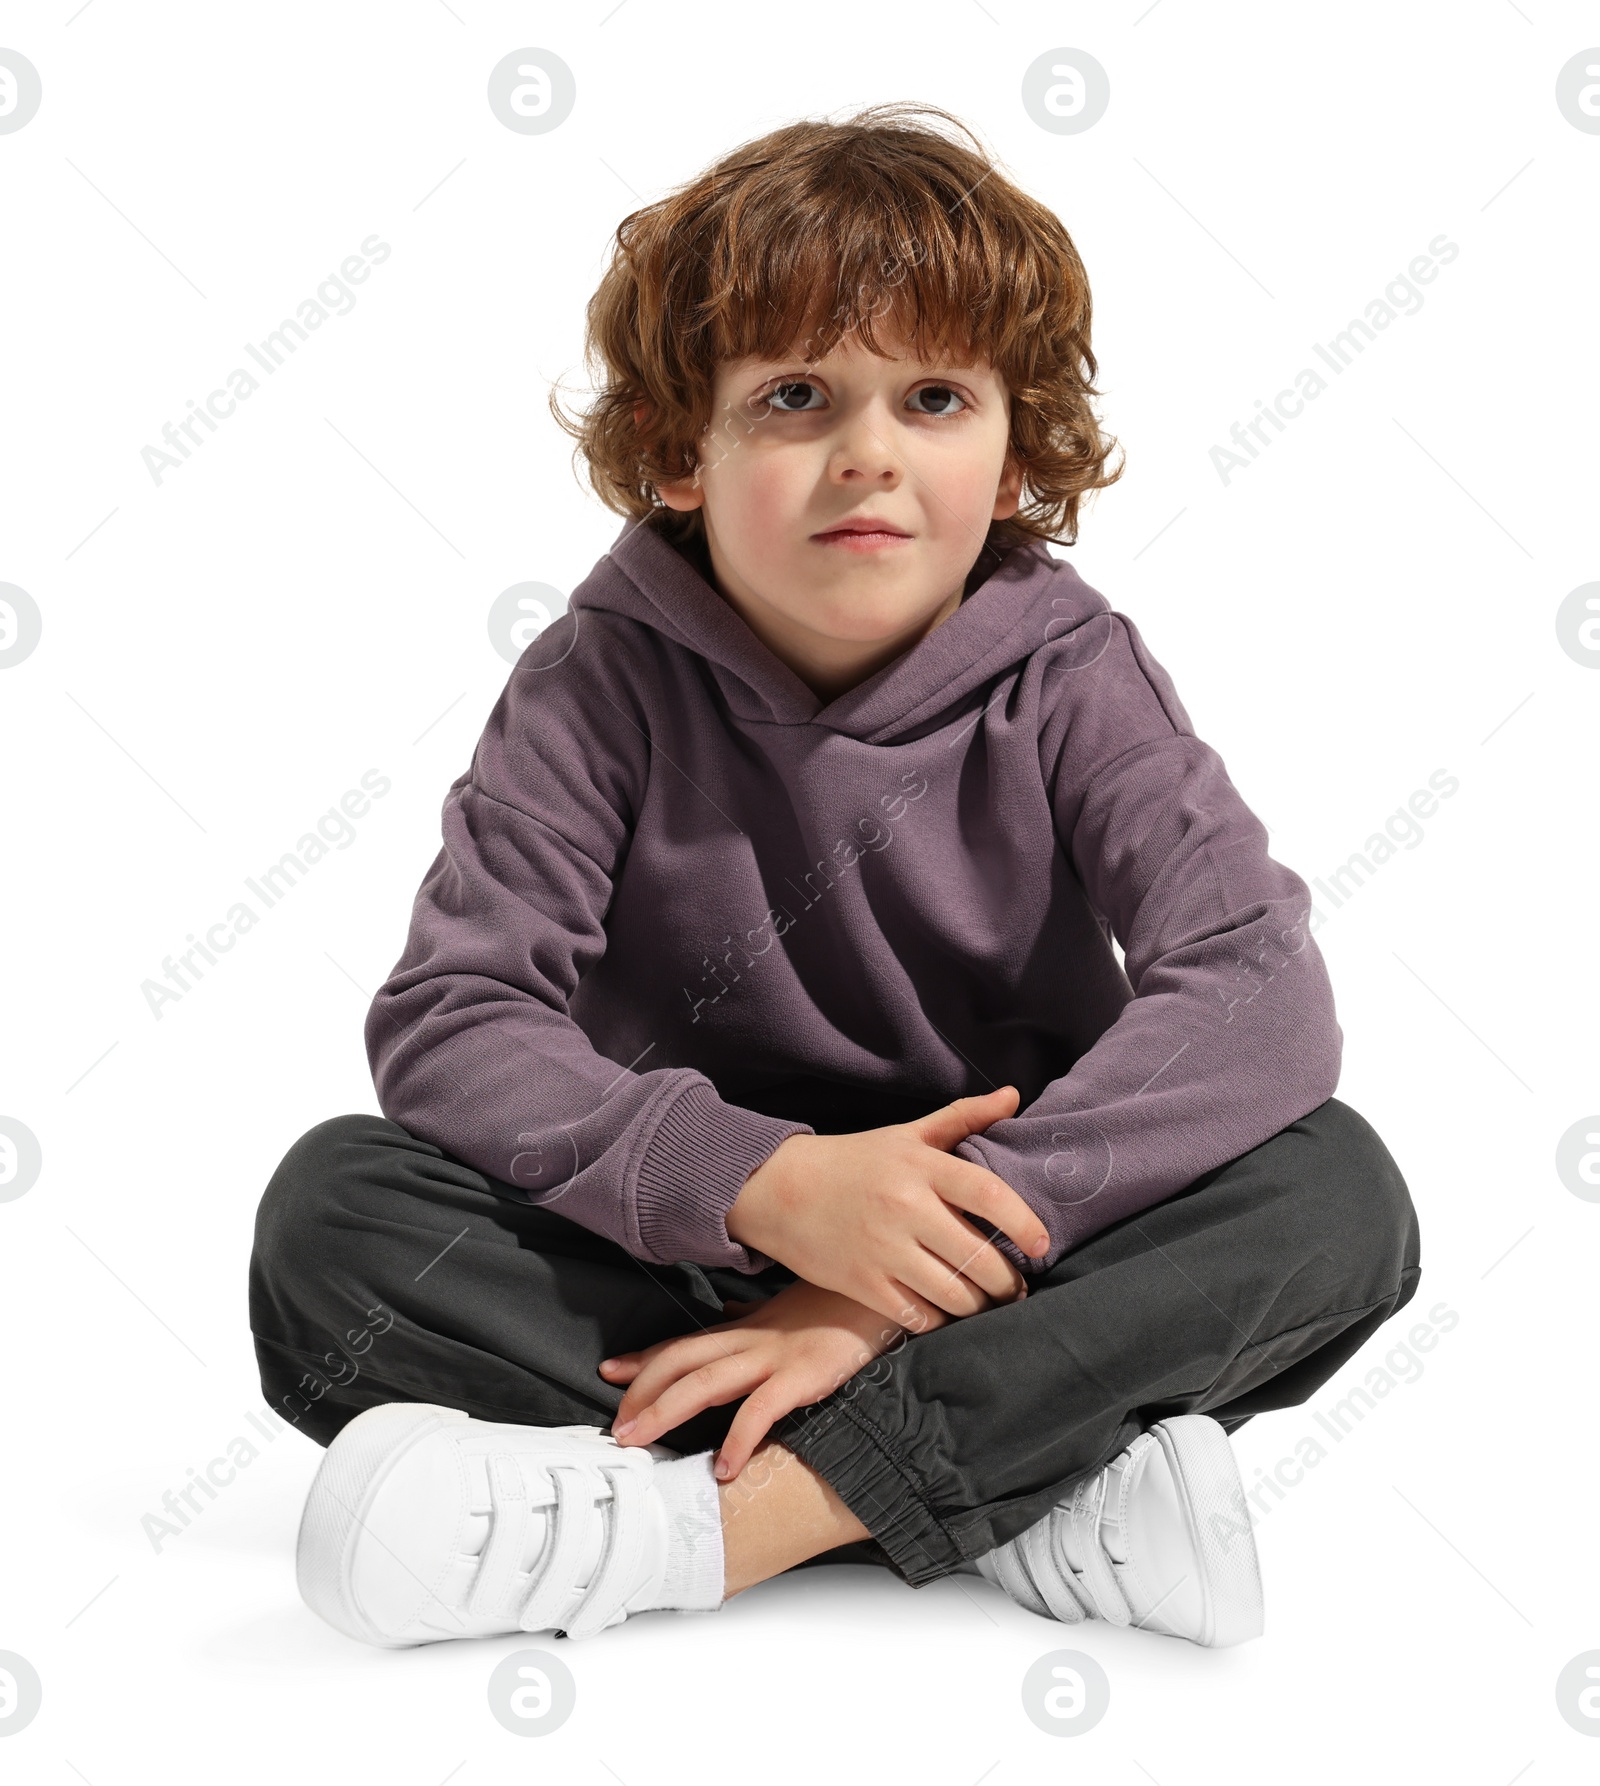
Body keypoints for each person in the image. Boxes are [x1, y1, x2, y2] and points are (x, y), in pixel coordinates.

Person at [250, 102, 1420, 1651]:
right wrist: (770, 1192)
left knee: (1340, 1192)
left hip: (1005, 1259)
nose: (869, 451)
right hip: (690, 1268)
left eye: (934, 395)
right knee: (332, 1220)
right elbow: (456, 1021)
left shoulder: (1074, 677)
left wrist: (902, 1276)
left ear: (1016, 455)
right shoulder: (596, 680)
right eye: (797, 395)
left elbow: (1257, 988)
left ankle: (712, 1526)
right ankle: (1027, 1482)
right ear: (682, 448)